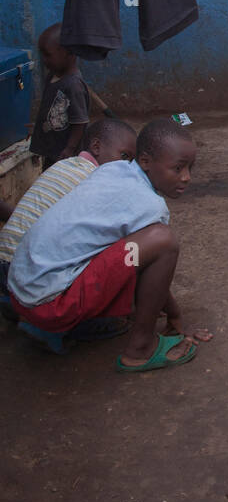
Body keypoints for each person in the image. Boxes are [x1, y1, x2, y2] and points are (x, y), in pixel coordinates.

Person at [7, 119, 209, 369]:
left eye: (191, 168)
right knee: (162, 241)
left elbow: (128, 257)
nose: (187, 178)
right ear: (145, 162)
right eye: (178, 168)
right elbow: (148, 260)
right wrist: (176, 315)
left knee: (133, 249)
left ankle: (70, 326)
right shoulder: (150, 206)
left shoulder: (112, 170)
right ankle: (141, 349)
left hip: (19, 289)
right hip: (49, 304)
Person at [0, 118, 137, 282]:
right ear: (96, 147)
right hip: (26, 271)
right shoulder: (95, 181)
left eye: (131, 162)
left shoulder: (63, 166)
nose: (127, 167)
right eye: (123, 156)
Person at [29, 23, 90, 169]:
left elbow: (79, 122)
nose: (44, 60)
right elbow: (49, 107)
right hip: (52, 149)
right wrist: (38, 129)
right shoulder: (52, 77)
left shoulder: (73, 85)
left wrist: (70, 148)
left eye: (48, 55)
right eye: (42, 54)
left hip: (64, 154)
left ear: (69, 52)